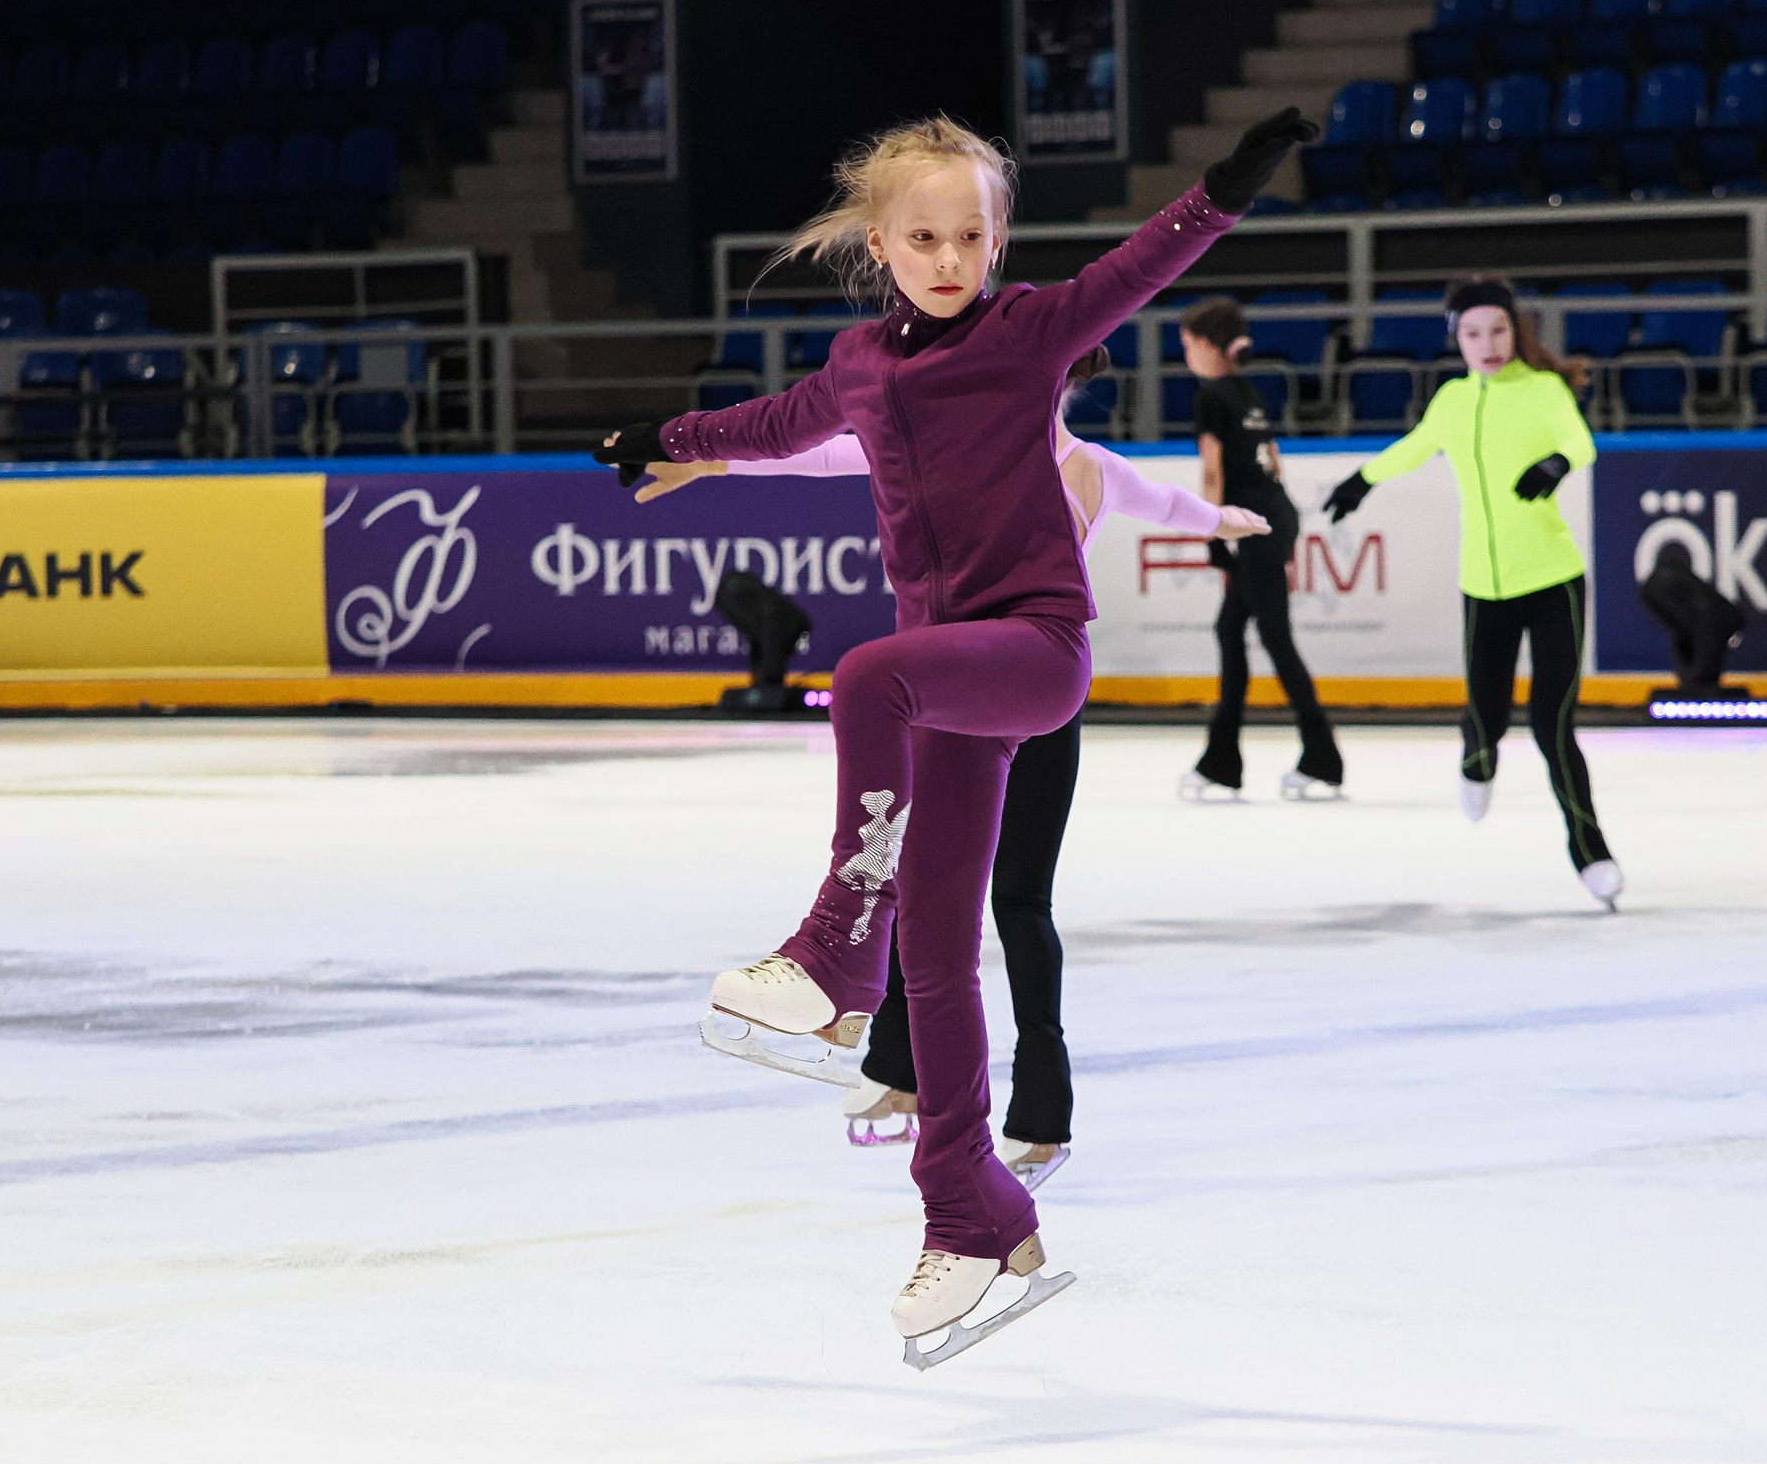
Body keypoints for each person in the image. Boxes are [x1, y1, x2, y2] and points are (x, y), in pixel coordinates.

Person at [597, 106, 1315, 1363]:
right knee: (939, 950)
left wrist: (1224, 189)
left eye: (970, 235)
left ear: (997, 239)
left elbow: (1142, 264)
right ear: (881, 243)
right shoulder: (864, 367)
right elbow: (778, 424)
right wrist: (668, 441)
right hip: (951, 687)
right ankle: (971, 1210)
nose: (947, 257)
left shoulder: (1034, 331)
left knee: (866, 674)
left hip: (1030, 653)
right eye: (922, 236)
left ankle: (831, 956)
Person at [633, 351, 1271, 1192]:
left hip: (1040, 699)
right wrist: (717, 454)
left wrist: (1222, 520)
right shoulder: (940, 439)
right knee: (929, 888)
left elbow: (1167, 503)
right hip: (959, 699)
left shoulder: (1092, 467)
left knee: (1018, 901)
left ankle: (1041, 1114)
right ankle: (898, 1067)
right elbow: (832, 447)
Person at [1323, 277, 1625, 910]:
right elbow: (1414, 448)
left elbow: (1580, 441)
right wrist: (1361, 480)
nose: (1487, 344)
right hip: (1483, 588)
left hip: (1553, 582)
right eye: (1472, 333)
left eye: (1498, 330)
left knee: (1552, 723)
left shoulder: (1542, 390)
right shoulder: (1454, 402)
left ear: (1515, 331)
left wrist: (1557, 465)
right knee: (1484, 715)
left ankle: (1590, 851)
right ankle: (1478, 762)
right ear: (1455, 339)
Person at [1178, 296, 1345, 803]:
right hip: (1274, 518)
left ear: (1209, 346)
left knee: (1275, 640)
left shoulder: (1211, 395)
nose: (1186, 356)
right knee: (1231, 629)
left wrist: (1214, 530)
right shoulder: (1248, 392)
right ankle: (1220, 762)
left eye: (1188, 346)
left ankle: (1321, 760)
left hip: (1251, 527)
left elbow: (1213, 469)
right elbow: (1272, 458)